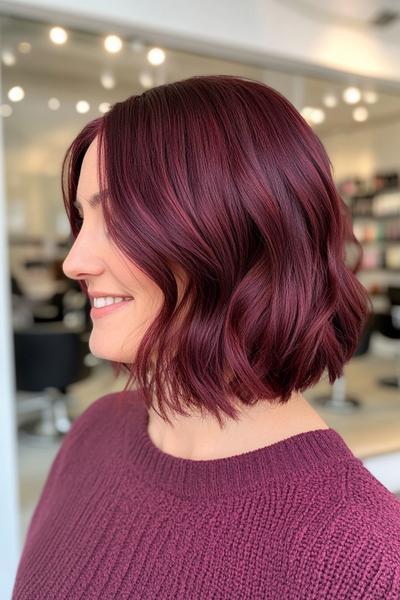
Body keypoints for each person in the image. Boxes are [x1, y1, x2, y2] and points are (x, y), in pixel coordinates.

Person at [12, 74, 400, 599]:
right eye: (82, 220)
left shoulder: (364, 558)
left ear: (239, 231)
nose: (74, 261)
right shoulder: (95, 431)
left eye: (118, 216)